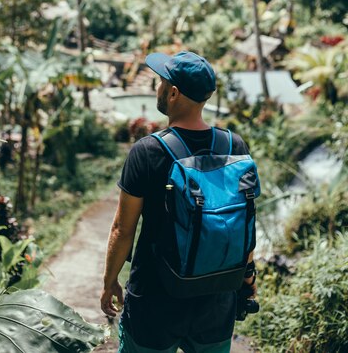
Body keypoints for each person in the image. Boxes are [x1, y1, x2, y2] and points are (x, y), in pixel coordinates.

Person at [101, 50, 256, 353]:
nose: (156, 88)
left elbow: (122, 229)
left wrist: (110, 283)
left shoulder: (147, 152)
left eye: (160, 82)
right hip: (216, 301)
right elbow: (244, 220)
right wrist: (249, 279)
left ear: (172, 93)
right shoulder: (234, 145)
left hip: (155, 303)